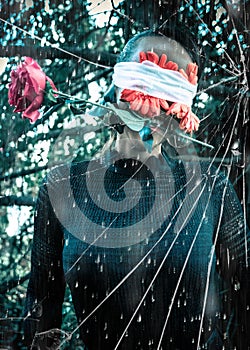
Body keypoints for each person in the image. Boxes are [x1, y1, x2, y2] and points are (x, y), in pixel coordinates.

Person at [24, 24, 250, 350]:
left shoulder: (210, 188)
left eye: (168, 92)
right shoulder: (62, 187)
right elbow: (41, 313)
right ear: (115, 90)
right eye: (143, 80)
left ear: (181, 109)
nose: (151, 106)